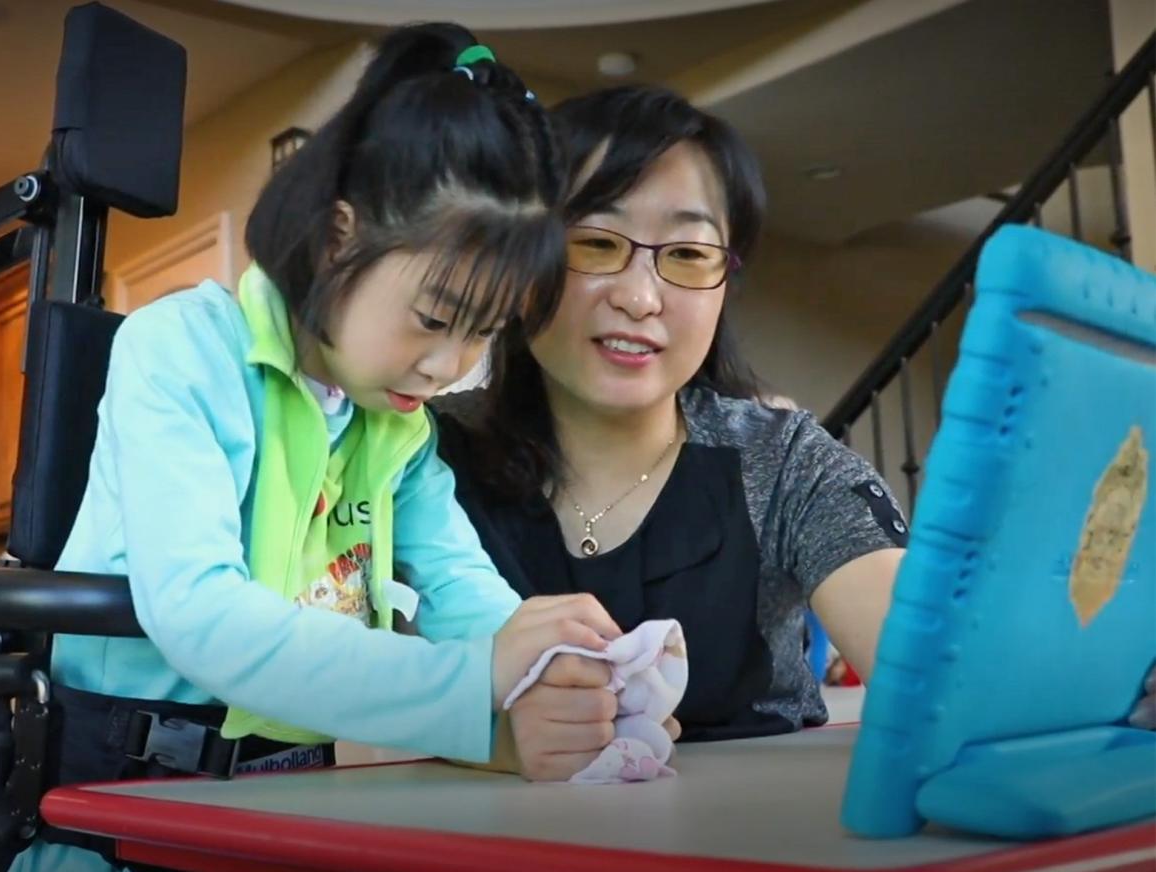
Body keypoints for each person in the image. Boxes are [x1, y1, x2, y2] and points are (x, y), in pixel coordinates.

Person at [0, 25, 621, 872]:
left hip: (279, 832)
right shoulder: (179, 349)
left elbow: (463, 590)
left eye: (485, 333)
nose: (452, 363)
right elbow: (201, 616)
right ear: (338, 241)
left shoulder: (393, 424)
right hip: (129, 845)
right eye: (438, 317)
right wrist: (475, 682)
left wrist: (555, 671)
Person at [434, 84, 1156, 781]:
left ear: (724, 282)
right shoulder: (419, 454)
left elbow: (928, 663)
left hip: (752, 864)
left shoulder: (781, 461)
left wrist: (1113, 678)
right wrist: (490, 740)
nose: (640, 296)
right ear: (523, 256)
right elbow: (341, 685)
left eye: (687, 255)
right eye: (594, 243)